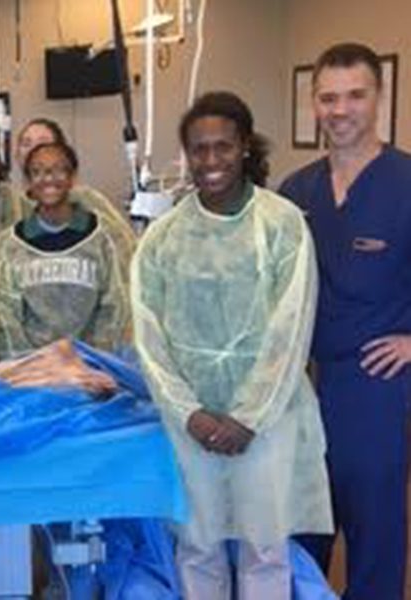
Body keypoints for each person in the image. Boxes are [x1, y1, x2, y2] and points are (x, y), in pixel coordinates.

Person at [131, 91, 332, 599]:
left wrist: (248, 416)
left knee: (264, 549)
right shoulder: (163, 237)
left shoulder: (282, 224)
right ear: (186, 155)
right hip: (190, 422)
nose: (211, 160)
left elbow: (291, 330)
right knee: (197, 546)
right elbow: (150, 337)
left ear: (244, 147)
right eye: (199, 150)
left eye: (223, 147)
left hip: (265, 419)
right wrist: (190, 412)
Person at [279, 42, 411, 600]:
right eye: (328, 98)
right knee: (302, 527)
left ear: (378, 97)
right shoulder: (295, 192)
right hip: (298, 387)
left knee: (374, 534)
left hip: (373, 386)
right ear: (314, 102)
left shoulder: (405, 183)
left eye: (355, 95)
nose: (341, 110)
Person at [0, 141, 131, 359]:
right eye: (37, 171)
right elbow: (5, 316)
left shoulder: (105, 237)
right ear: (28, 182)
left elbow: (116, 307)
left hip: (92, 368)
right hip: (31, 372)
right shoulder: (9, 245)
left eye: (58, 170)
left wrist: (95, 362)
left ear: (73, 177)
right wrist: (29, 367)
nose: (48, 178)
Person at [14, 118, 136, 265]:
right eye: (26, 144)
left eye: (43, 142)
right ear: (17, 154)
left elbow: (123, 244)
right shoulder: (11, 205)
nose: (34, 149)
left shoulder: (85, 199)